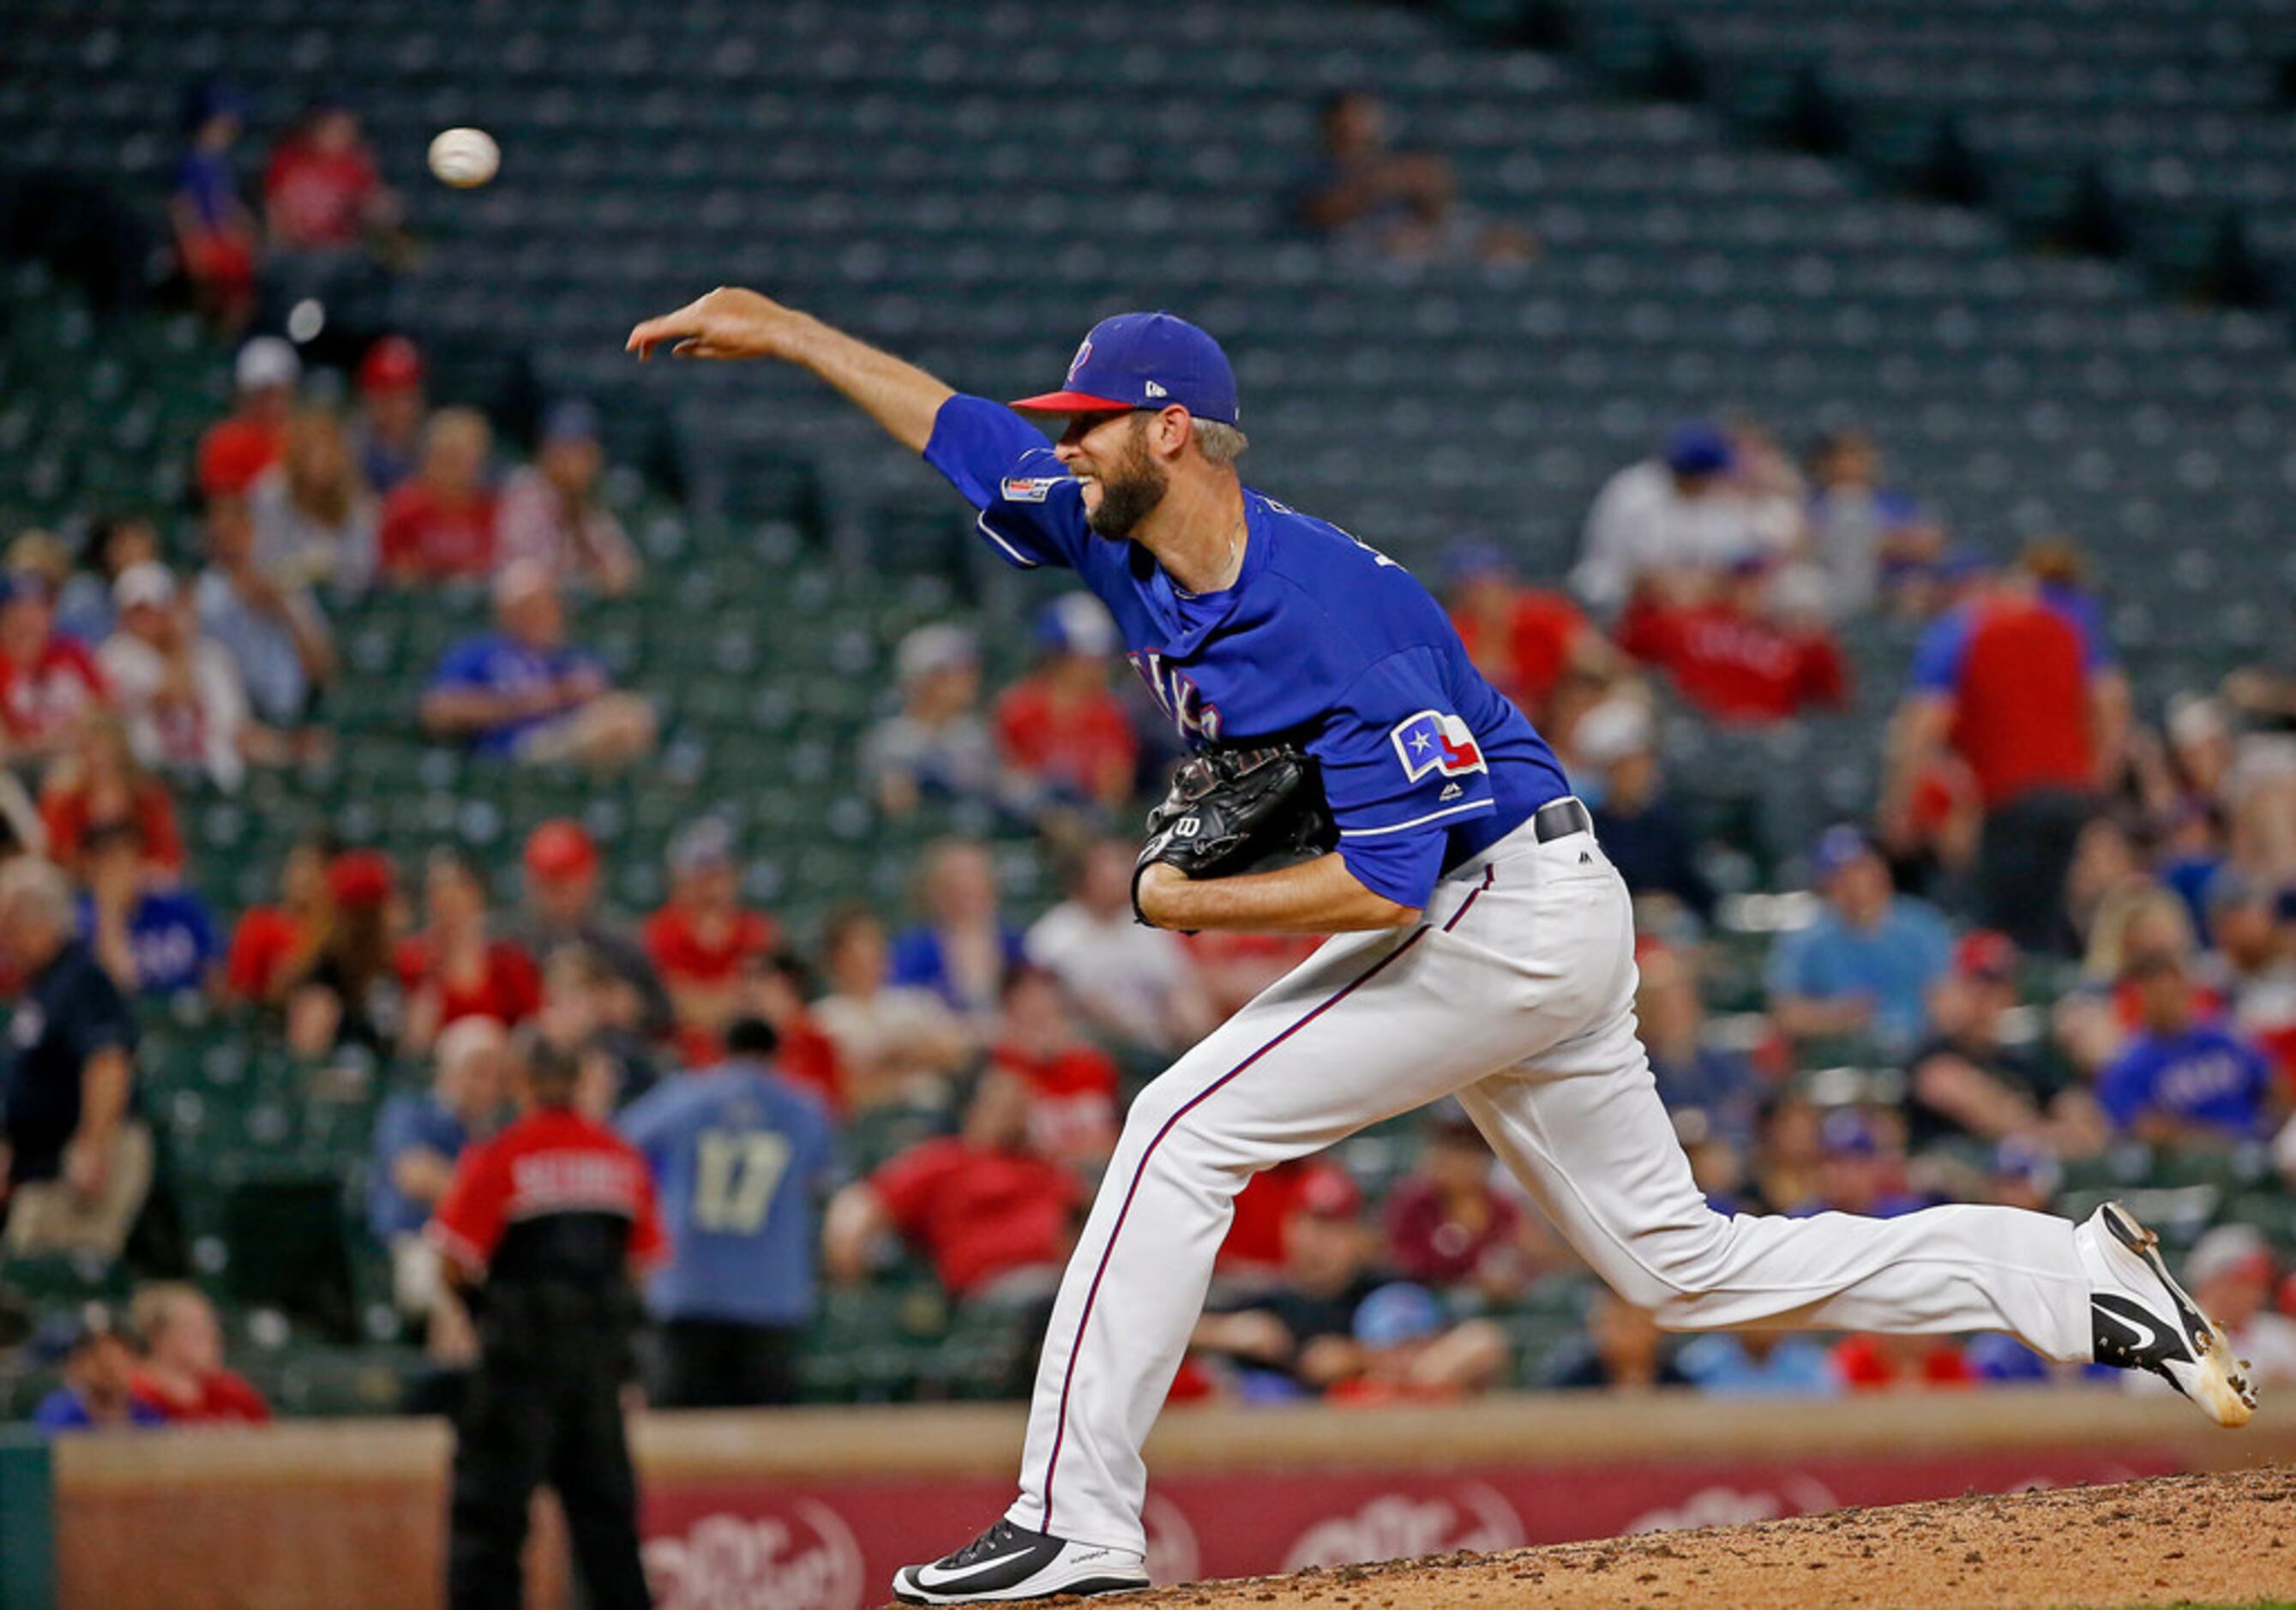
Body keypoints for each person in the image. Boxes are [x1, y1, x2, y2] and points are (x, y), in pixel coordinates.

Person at [627, 287, 2257, 1603]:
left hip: (1502, 911)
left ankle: (1074, 1519)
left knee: (1175, 1127)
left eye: (1093, 423)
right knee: (1672, 1261)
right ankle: (2072, 1275)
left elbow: (1389, 889)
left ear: (1170, 430)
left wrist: (1181, 906)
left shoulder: (1335, 613)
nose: (1066, 448)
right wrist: (786, 330)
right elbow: (965, 437)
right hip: (1524, 914)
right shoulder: (1107, 521)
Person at [427, 1041, 659, 1610]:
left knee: (490, 1525)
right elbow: (642, 1264)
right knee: (608, 1531)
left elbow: (454, 1259)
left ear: (523, 1084)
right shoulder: (619, 1158)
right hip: (595, 1369)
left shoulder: (503, 1155)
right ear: (580, 1082)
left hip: (518, 1363)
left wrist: (481, 1310)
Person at [1884, 552, 2129, 952]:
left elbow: (1926, 723)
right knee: (2049, 915)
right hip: (2071, 796)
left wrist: (1900, 799)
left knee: (2003, 925)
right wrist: (2097, 777)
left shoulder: (1959, 629)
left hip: (2009, 798)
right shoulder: (2066, 625)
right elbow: (2111, 701)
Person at [617, 1016, 838, 1408]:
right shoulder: (805, 1107)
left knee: (682, 1441)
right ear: (776, 1055)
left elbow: (620, 1145)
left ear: (723, 1049)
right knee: (767, 1446)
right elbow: (824, 1180)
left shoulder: (685, 1096)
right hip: (772, 1294)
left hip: (688, 1286)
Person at [824, 1070, 1081, 1306]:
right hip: (996, 1296)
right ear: (975, 1108)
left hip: (1060, 1278)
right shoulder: (948, 1160)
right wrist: (851, 1282)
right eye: (1001, 1104)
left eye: (1020, 1105)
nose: (1013, 1114)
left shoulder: (1048, 1169)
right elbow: (859, 1205)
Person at [0, 857, 149, 1260]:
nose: (5, 940)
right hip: (46, 1165)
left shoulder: (82, 977)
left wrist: (93, 1146)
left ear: (40, 919)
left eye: (10, 925)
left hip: (82, 1157)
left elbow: (108, 1061)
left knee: (69, 1273)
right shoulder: (44, 986)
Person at [421, 562, 656, 769]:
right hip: (511, 752)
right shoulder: (481, 652)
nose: (546, 615)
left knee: (629, 717)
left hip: (571, 744)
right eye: (532, 607)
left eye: (550, 605)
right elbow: (440, 711)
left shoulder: (571, 657)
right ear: (506, 612)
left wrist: (586, 693)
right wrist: (537, 701)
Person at [1904, 931, 2107, 1156]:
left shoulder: (2023, 1057)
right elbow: (1989, 1117)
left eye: (2000, 986)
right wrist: (2052, 1137)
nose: (1990, 998)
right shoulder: (1933, 1052)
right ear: (1956, 988)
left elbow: (2086, 1122)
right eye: (1979, 985)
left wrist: (2075, 1130)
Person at [369, 1017, 508, 1337]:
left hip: (481, 1251)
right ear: (449, 1071)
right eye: (478, 1071)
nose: (489, 1084)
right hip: (416, 1243)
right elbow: (416, 1176)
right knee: (457, 1297)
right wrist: (483, 1197)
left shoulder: (498, 1129)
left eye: (496, 1074)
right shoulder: (411, 1112)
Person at [1766, 826, 1954, 1060]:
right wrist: (1838, 1016)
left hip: (1917, 1055)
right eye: (1842, 873)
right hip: (1835, 1058)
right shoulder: (1805, 938)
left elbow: (1949, 1002)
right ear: (1826, 882)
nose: (1856, 881)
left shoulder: (1922, 926)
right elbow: (1786, 1016)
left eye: (1862, 868)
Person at [1023, 839, 1215, 1060]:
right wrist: (1142, 1030)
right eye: (1110, 869)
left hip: (1158, 1037)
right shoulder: (1054, 936)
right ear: (1084, 879)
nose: (1122, 875)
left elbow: (1179, 984)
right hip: (1092, 1044)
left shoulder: (1147, 925)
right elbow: (1072, 1006)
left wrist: (1193, 1028)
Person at [1293, 92, 1533, 265]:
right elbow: (1319, 214)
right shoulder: (1316, 169)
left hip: (1426, 250)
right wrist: (1376, 186)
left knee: (1506, 252)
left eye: (1364, 118)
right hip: (1359, 260)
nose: (1359, 127)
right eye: (1351, 120)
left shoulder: (1397, 163)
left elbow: (1442, 216)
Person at [1613, 553, 1849, 725]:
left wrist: (1816, 635)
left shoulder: (1792, 638)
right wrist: (1650, 595)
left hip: (1768, 739)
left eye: (1759, 580)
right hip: (1699, 728)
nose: (1752, 587)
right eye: (1743, 578)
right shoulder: (1691, 619)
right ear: (1725, 583)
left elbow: (1833, 697)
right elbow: (1626, 645)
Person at [1572, 424, 1778, 617]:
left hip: (1687, 605)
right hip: (1617, 597)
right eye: (1708, 475)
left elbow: (1740, 559)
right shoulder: (1633, 492)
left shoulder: (1717, 501)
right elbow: (1618, 567)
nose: (1713, 481)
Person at [99, 561, 269, 790]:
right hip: (158, 781)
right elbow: (175, 693)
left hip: (218, 781)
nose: (149, 618)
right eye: (139, 611)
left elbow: (238, 730)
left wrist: (288, 746)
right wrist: (181, 641)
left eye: (155, 608)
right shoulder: (116, 655)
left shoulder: (212, 656)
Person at [2096, 949, 2280, 1146]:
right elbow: (2147, 1128)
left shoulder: (2222, 1036)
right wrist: (2220, 1142)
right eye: (2159, 995)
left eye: (2176, 991)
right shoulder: (2128, 1065)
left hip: (2257, 1146)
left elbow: (2271, 1083)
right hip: (2195, 1165)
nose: (2170, 1003)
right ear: (2141, 1000)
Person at [514, 819, 672, 1042]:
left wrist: (633, 1009)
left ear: (589, 879)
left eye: (565, 882)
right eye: (548, 883)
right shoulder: (512, 945)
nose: (557, 893)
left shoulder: (621, 943)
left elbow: (664, 1016)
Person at [197, 488, 338, 732]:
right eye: (221, 533)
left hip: (293, 714)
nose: (230, 541)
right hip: (236, 717)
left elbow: (322, 668)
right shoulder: (205, 593)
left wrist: (282, 609)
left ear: (251, 531)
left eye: (236, 530)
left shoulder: (287, 582)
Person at [641, 817, 778, 1058]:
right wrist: (730, 998)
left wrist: (701, 1000)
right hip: (678, 1058)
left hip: (745, 1053)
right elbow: (671, 1003)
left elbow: (765, 1002)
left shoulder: (757, 930)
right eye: (700, 875)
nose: (709, 887)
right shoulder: (661, 931)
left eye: (717, 874)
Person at [995, 595, 1140, 819]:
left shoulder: (1109, 712)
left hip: (1090, 820)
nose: (1099, 665)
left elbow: (1115, 788)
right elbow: (1007, 779)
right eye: (1086, 657)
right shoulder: (1019, 707)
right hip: (1028, 821)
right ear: (1056, 656)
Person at [1443, 541, 1616, 726]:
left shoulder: (1542, 614)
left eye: (1490, 583)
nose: (1483, 594)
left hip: (1555, 720)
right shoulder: (1454, 633)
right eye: (1472, 587)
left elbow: (1600, 662)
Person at [1576, 699, 1715, 923]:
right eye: (1627, 766)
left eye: (1643, 764)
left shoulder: (1667, 824)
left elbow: (1698, 890)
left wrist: (1675, 904)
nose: (1638, 774)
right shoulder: (1588, 830)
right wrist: (1636, 906)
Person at [396, 851, 543, 1052]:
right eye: (439, 900)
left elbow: (533, 1025)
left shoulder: (507, 960)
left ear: (477, 899)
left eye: (456, 900)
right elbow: (412, 1043)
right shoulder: (410, 959)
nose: (448, 911)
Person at [496, 401, 641, 596]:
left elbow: (621, 567)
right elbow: (529, 570)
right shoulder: (523, 491)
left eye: (581, 453)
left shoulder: (590, 503)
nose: (571, 462)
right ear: (545, 451)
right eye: (563, 450)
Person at [863, 623, 1005, 818]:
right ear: (927, 680)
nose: (972, 680)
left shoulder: (978, 733)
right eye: (959, 672)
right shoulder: (893, 738)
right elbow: (896, 805)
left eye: (971, 671)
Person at [989, 967, 1121, 1171]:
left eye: (1049, 1015)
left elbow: (1114, 1138)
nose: (1042, 1031)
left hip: (1096, 1176)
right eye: (1031, 1019)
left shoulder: (1093, 1065)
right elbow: (984, 1144)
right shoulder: (1001, 1069)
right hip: (1034, 1182)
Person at [247, 405, 380, 601]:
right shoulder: (270, 493)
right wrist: (305, 569)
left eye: (329, 448)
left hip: (341, 605)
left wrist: (326, 568)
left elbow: (363, 570)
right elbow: (261, 562)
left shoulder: (357, 501)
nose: (322, 458)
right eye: (312, 448)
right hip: (276, 606)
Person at [78, 820, 221, 1000]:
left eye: (128, 858)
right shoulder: (81, 919)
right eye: (110, 863)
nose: (122, 871)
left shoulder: (177, 903)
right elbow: (121, 988)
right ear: (92, 869)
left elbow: (215, 972)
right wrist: (110, 912)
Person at [890, 839, 1025, 1024]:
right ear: (934, 889)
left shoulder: (1014, 943)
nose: (966, 885)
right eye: (955, 877)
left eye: (975, 876)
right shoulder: (914, 950)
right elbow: (899, 1002)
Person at [168, 83, 258, 332]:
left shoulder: (220, 162)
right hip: (204, 241)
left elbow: (225, 202)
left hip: (223, 240)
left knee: (242, 295)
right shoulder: (192, 161)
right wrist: (191, 244)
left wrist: (244, 227)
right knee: (209, 296)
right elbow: (183, 206)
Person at [263, 102, 403, 256]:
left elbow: (376, 206)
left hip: (341, 250)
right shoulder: (288, 159)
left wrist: (377, 210)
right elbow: (274, 208)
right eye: (334, 128)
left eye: (346, 129)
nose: (340, 135)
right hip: (296, 251)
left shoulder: (356, 164)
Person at [0, 568, 108, 763]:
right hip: (19, 766)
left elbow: (103, 710)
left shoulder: (72, 653)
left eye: (39, 608)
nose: (30, 619)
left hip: (80, 760)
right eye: (19, 609)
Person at [381, 408, 500, 583]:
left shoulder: (492, 510)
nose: (454, 470)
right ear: (428, 459)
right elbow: (396, 573)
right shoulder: (404, 507)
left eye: (462, 459)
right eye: (446, 457)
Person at [126, 1283, 271, 1423]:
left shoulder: (234, 1394)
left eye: (211, 1326)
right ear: (157, 1336)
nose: (212, 1337)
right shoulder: (133, 1395)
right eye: (195, 1328)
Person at [31, 1305, 165, 1433]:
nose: (109, 1365)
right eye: (96, 1355)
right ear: (77, 1364)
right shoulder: (58, 1414)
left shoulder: (148, 1417)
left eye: (119, 1354)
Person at [199, 336, 300, 502]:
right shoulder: (224, 442)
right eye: (260, 393)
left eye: (275, 392)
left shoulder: (305, 440)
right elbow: (225, 506)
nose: (269, 402)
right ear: (244, 395)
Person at [1544, 1290, 1691, 1391]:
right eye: (1610, 1322)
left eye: (1633, 1323)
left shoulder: (1678, 1385)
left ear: (1656, 1329)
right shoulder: (1574, 1384)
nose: (1626, 1334)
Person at [352, 334, 429, 495]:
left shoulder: (436, 449)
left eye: (406, 396)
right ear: (369, 399)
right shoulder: (349, 449)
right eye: (387, 397)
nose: (399, 409)